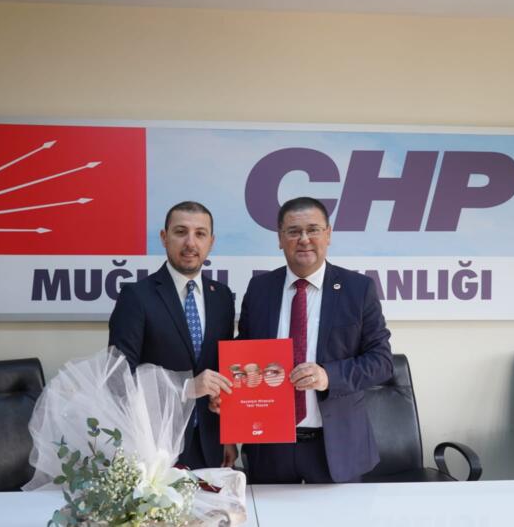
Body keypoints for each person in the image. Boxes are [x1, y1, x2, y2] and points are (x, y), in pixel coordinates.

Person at [237, 196, 393, 483]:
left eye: (313, 230)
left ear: (328, 234)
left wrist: (328, 376)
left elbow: (381, 362)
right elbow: (242, 356)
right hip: (270, 448)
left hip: (336, 447)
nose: (304, 239)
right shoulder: (259, 289)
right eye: (293, 231)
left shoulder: (358, 289)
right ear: (280, 239)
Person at [108, 201, 237, 469]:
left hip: (211, 444)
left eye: (200, 234)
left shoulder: (222, 297)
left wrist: (229, 435)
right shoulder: (137, 296)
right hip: (156, 448)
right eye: (180, 232)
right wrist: (186, 388)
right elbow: (118, 379)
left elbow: (222, 371)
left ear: (211, 242)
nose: (190, 243)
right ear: (164, 238)